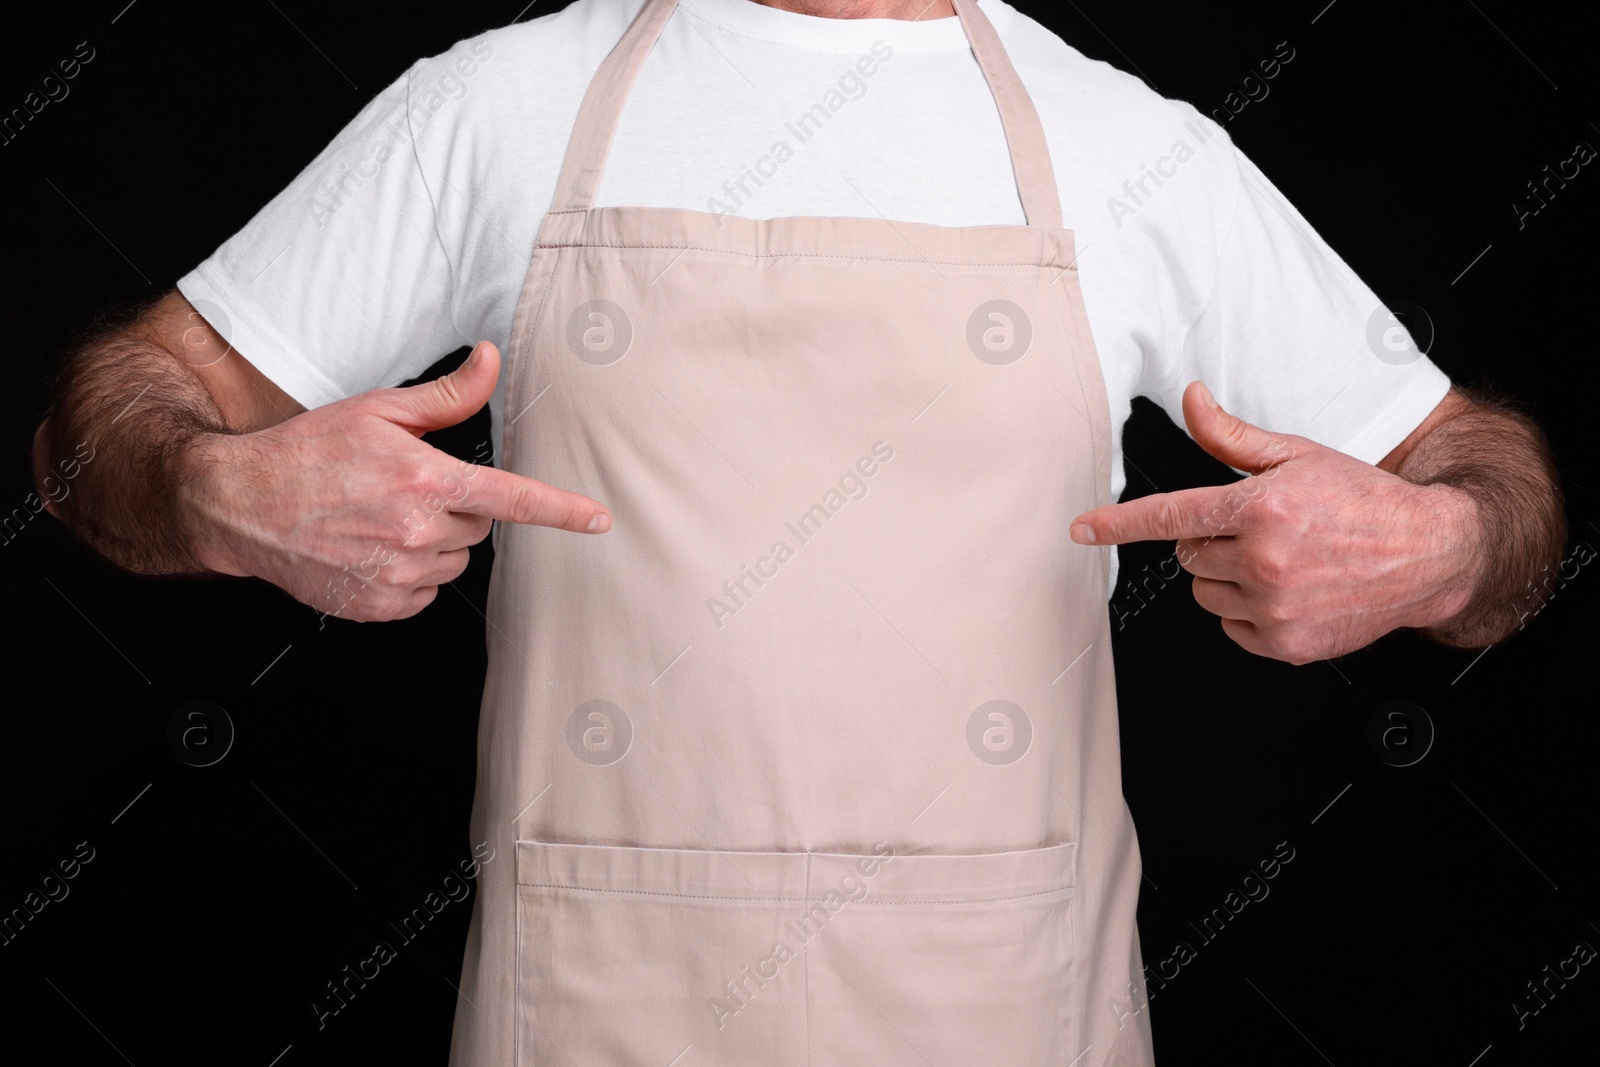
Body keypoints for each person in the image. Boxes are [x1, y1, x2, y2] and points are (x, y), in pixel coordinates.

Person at [30, 0, 1563, 1063]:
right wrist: (217, 491)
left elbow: (1492, 490)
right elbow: (94, 429)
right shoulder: (499, 107)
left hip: (1004, 1018)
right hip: (596, 1018)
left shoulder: (1125, 149)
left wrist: (1435, 548)